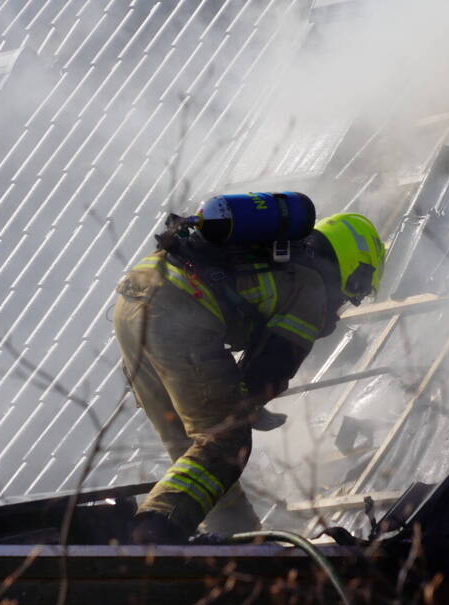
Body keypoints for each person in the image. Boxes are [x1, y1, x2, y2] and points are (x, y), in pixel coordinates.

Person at [112, 211, 386, 543]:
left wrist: (246, 401)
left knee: (193, 447)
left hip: (134, 299)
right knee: (228, 440)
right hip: (178, 311)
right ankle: (154, 533)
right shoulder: (310, 286)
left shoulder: (274, 258)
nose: (346, 303)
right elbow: (275, 362)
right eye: (356, 291)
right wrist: (250, 403)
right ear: (354, 268)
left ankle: (234, 532)